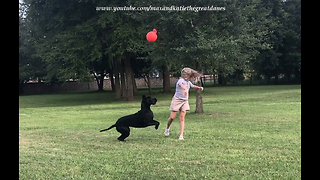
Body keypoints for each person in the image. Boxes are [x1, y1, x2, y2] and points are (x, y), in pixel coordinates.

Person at [164, 68, 204, 140]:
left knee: (182, 118)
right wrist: (185, 89)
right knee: (172, 117)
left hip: (184, 101)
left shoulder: (188, 82)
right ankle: (167, 128)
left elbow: (192, 86)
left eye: (187, 75)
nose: (186, 77)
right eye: (184, 75)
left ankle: (181, 135)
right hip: (177, 100)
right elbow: (182, 85)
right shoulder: (180, 81)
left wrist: (199, 88)